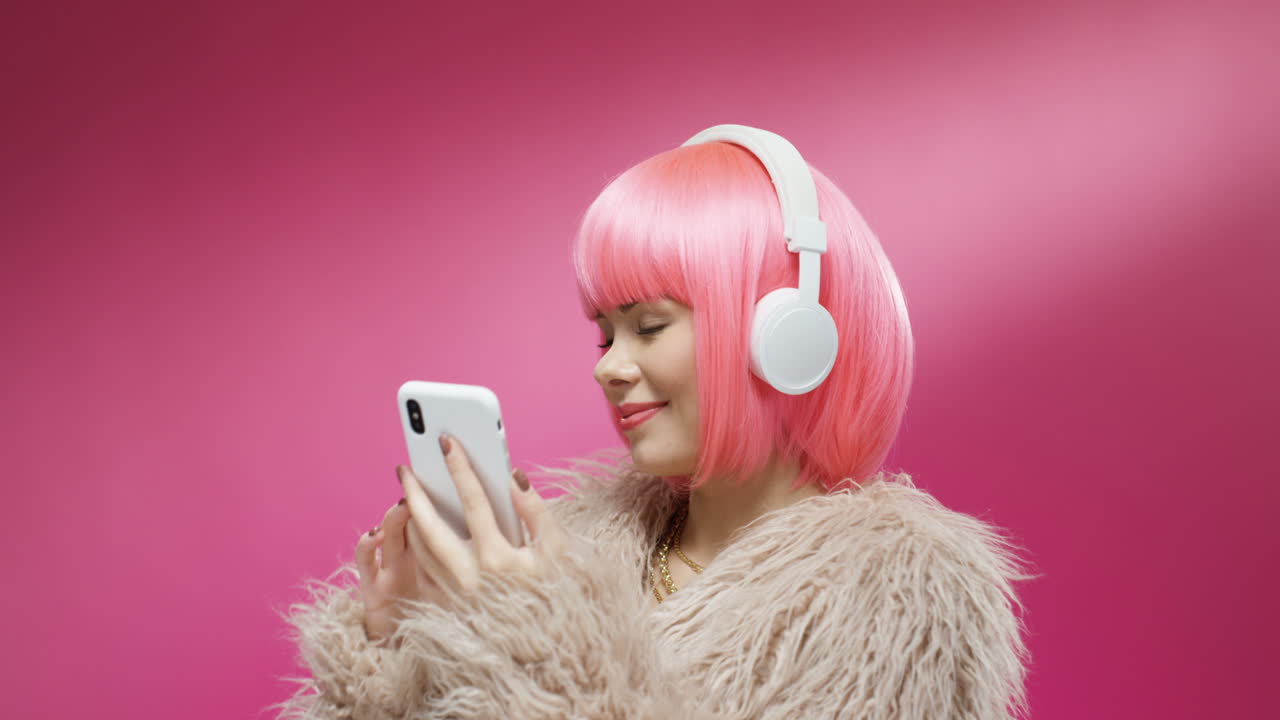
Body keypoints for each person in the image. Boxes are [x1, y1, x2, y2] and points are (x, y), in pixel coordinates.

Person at [272, 125, 1034, 719]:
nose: (608, 365)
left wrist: (543, 648)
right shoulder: (568, 551)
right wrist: (395, 652)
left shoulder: (898, 602)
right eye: (604, 331)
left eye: (649, 325)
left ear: (783, 338)